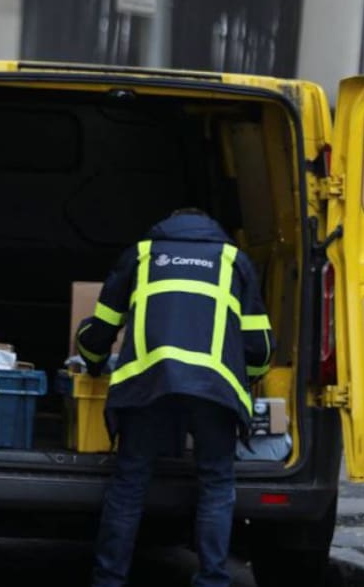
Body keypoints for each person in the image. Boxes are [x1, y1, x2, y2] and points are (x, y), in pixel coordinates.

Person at [75, 208, 275, 587]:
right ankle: (212, 580)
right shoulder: (234, 260)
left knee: (129, 483)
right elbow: (259, 345)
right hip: (214, 391)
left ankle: (109, 579)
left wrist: (93, 362)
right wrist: (248, 378)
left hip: (148, 386)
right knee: (216, 484)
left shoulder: (142, 254)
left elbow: (101, 329)